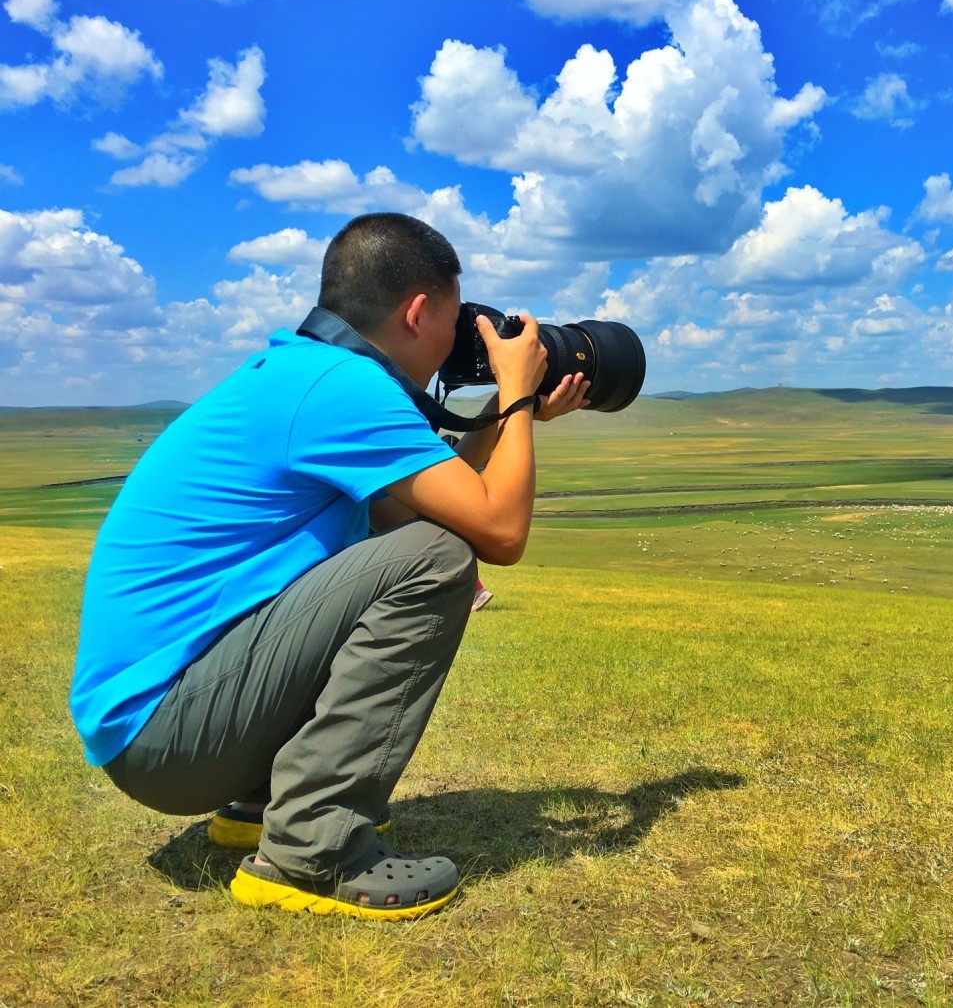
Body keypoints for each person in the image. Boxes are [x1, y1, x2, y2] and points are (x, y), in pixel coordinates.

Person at [69, 212, 589, 920]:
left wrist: (506, 410)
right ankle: (311, 852)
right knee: (436, 562)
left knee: (412, 545)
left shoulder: (306, 373)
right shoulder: (342, 388)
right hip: (167, 736)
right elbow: (496, 531)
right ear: (417, 311)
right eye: (455, 319)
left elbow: (424, 511)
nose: (456, 344)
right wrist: (521, 394)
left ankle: (260, 805)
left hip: (157, 727)